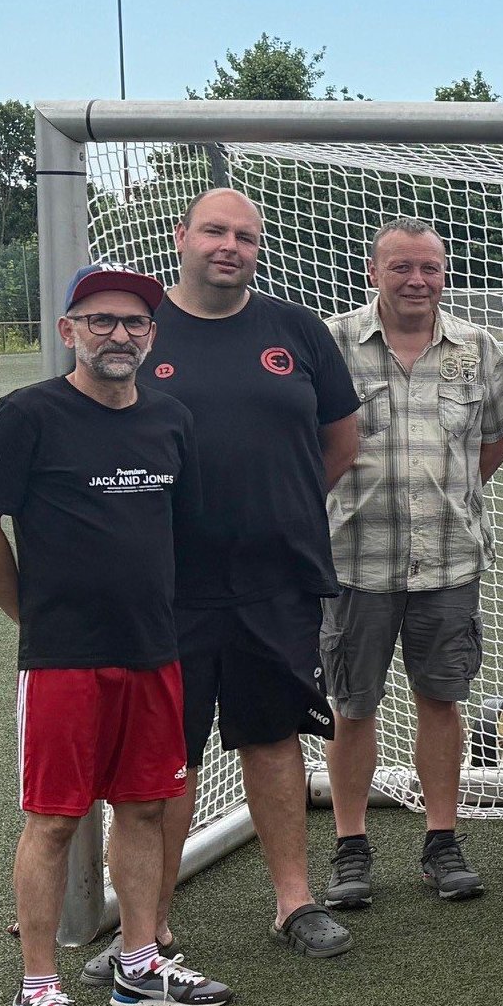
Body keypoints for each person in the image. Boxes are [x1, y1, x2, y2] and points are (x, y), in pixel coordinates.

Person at [0, 265, 231, 1006]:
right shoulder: (26, 415)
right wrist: (32, 617)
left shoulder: (171, 419)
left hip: (154, 651)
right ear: (68, 330)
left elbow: (178, 533)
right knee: (54, 820)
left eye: (135, 322)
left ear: (152, 335)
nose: (119, 334)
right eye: (101, 320)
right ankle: (37, 987)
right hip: (65, 660)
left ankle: (141, 961)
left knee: (145, 806)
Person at [141, 188, 362, 960]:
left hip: (277, 580)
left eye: (244, 234)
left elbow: (340, 442)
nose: (228, 245)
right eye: (213, 230)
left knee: (272, 737)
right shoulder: (141, 329)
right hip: (166, 586)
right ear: (181, 236)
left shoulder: (295, 329)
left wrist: (281, 508)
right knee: (169, 754)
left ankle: (293, 902)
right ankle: (151, 922)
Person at [320, 219, 503, 909]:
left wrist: (450, 500)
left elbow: (491, 443)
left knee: (442, 699)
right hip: (353, 559)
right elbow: (307, 439)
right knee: (352, 705)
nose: (417, 281)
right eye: (402, 267)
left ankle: (442, 841)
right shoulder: (332, 342)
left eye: (430, 268)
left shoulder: (476, 345)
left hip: (447, 560)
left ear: (444, 273)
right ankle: (351, 847)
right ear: (373, 270)